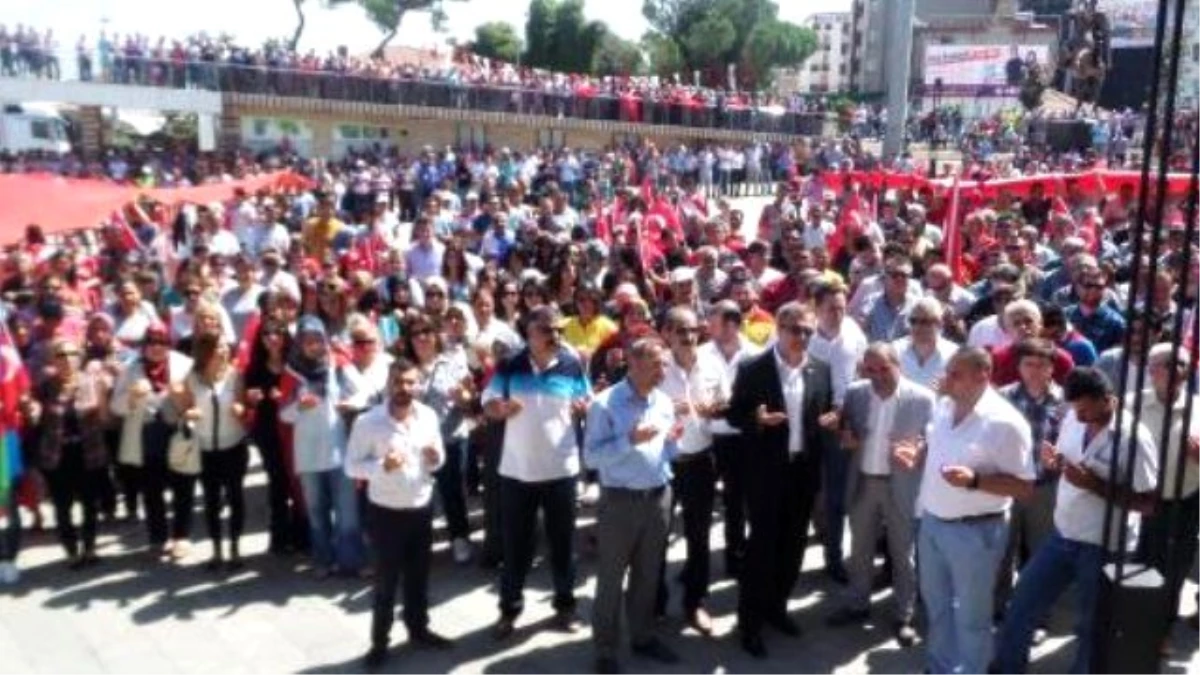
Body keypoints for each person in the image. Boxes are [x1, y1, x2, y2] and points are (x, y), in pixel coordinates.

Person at [995, 367, 1158, 675]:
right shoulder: (1073, 417)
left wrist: (1094, 484)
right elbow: (1070, 463)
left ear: (1108, 400)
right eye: (1073, 408)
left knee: (1092, 625)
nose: (1077, 414)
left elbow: (1147, 503)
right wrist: (1056, 462)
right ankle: (1006, 668)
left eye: (1084, 408)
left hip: (1103, 544)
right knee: (1023, 602)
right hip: (1064, 534)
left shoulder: (1134, 439)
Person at [905, 346, 1035, 675]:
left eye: (954, 374)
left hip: (976, 532)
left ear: (983, 375)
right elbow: (933, 445)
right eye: (948, 372)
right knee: (936, 608)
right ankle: (940, 668)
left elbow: (1024, 487)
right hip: (932, 522)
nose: (945, 380)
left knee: (972, 618)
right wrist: (917, 453)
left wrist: (975, 480)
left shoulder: (1006, 423)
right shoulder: (945, 406)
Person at [724, 301, 837, 658]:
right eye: (794, 329)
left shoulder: (820, 369)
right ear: (779, 327)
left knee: (793, 547)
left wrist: (833, 421)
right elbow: (735, 415)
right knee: (761, 549)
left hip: (802, 472)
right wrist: (755, 420)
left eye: (807, 331)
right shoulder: (753, 368)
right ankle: (750, 624)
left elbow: (825, 411)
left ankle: (777, 608)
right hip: (766, 473)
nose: (801, 337)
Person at [482, 305, 591, 640]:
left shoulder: (572, 363)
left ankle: (565, 605)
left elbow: (584, 399)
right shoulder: (510, 364)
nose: (555, 336)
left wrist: (583, 407)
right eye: (547, 330)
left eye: (558, 329)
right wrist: (497, 409)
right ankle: (509, 610)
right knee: (517, 547)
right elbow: (487, 401)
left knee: (562, 545)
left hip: (561, 470)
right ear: (529, 331)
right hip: (517, 471)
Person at [347, 358, 455, 668]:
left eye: (410, 382)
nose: (404, 388)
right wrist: (381, 466)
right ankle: (379, 643)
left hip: (421, 509)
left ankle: (418, 629)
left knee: (419, 578)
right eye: (398, 382)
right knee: (386, 582)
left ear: (418, 385)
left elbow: (437, 460)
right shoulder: (368, 422)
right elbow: (351, 465)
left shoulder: (428, 416)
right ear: (388, 383)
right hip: (386, 513)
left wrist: (436, 458)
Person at [585, 337, 681, 675]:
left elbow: (666, 451)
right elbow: (592, 456)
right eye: (657, 364)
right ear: (633, 363)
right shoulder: (605, 403)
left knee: (648, 575)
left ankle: (642, 637)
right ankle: (605, 651)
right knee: (611, 578)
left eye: (664, 364)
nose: (663, 371)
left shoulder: (664, 401)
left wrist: (672, 446)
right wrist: (630, 440)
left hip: (658, 498)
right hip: (619, 502)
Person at [826, 343, 934, 647]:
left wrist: (919, 450)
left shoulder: (923, 398)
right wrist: (845, 437)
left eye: (884, 368)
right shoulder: (857, 393)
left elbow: (934, 438)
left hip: (902, 484)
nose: (878, 376)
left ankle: (903, 615)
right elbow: (847, 432)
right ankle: (857, 604)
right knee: (859, 550)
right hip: (864, 482)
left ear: (898, 364)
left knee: (903, 554)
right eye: (870, 370)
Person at [657, 307, 725, 634]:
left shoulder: (712, 365)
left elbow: (725, 402)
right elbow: (638, 407)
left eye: (693, 330)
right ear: (667, 334)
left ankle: (694, 603)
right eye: (680, 331)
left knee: (699, 538)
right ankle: (653, 602)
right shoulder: (655, 367)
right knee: (656, 537)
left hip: (700, 461)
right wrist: (668, 410)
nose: (688, 337)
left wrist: (717, 410)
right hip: (663, 463)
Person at [279, 316, 365, 577]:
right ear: (299, 344)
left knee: (347, 511)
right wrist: (298, 407)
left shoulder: (338, 364)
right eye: (307, 340)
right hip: (308, 454)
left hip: (339, 449)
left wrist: (351, 404)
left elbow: (362, 392)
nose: (314, 345)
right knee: (316, 512)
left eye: (318, 339)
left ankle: (351, 562)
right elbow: (283, 415)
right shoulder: (291, 373)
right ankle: (323, 561)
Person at [1133, 343, 1200, 641]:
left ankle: (1162, 628)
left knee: (1177, 565)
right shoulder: (1131, 404)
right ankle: (1136, 621)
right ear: (1150, 370)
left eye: (1182, 365)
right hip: (1141, 500)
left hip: (1187, 500)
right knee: (1142, 562)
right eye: (1167, 364)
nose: (1176, 371)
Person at [995, 338, 1064, 623]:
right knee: (1002, 551)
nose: (1035, 370)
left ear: (1052, 368)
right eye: (1029, 364)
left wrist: (1061, 459)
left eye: (1042, 364)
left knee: (1041, 556)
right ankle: (998, 608)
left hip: (1045, 488)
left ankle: (1038, 613)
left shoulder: (1065, 403)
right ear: (1019, 367)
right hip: (1008, 486)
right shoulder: (1003, 397)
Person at [110, 324, 194, 558]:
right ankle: (157, 537)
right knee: (152, 488)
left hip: (178, 430)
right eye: (152, 343)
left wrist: (181, 397)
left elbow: (196, 400)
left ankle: (181, 536)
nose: (157, 348)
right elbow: (115, 406)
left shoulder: (184, 364)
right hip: (146, 435)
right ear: (144, 345)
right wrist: (132, 396)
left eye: (162, 342)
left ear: (169, 344)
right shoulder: (130, 369)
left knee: (182, 485)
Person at [173, 333, 250, 571]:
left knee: (236, 497)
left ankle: (235, 548)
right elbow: (184, 409)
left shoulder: (235, 375)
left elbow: (243, 404)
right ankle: (217, 550)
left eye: (227, 347)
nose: (225, 351)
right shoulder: (192, 378)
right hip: (205, 449)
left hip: (234, 446)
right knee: (211, 500)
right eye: (219, 347)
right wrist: (188, 413)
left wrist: (241, 408)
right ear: (206, 351)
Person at [31, 337, 110, 568]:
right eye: (61, 355)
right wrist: (33, 410)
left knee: (89, 504)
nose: (67, 359)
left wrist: (103, 397)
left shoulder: (92, 382)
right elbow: (35, 417)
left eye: (72, 353)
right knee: (63, 506)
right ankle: (71, 549)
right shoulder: (45, 386)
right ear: (53, 360)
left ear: (80, 357)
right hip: (58, 455)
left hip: (88, 452)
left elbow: (105, 419)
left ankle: (90, 547)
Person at [403, 313, 475, 565]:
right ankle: (418, 542)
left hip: (450, 437)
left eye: (426, 331)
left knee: (452, 492)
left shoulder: (451, 363)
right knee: (416, 492)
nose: (422, 338)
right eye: (416, 334)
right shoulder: (404, 368)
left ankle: (459, 537)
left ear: (435, 335)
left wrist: (462, 397)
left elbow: (469, 398)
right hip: (415, 442)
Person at [807, 280, 865, 583]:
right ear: (816, 309)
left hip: (842, 423)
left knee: (837, 493)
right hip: (808, 422)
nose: (837, 314)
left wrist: (844, 417)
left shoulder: (854, 331)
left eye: (842, 308)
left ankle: (834, 557)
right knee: (806, 488)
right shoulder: (804, 337)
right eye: (831, 309)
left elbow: (862, 371)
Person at [697, 300, 758, 577]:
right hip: (706, 437)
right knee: (701, 504)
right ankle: (696, 563)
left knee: (736, 501)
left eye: (713, 321)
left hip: (740, 438)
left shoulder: (756, 355)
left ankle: (736, 555)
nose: (707, 326)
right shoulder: (699, 354)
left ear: (732, 324)